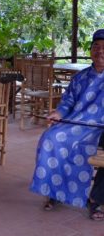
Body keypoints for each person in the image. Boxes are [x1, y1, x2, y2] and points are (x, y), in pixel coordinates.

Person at [30, 29, 104, 211]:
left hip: (101, 128)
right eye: (96, 46)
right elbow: (68, 101)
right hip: (76, 123)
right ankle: (55, 192)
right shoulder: (80, 77)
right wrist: (59, 114)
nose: (100, 51)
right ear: (90, 50)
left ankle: (97, 200)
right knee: (50, 138)